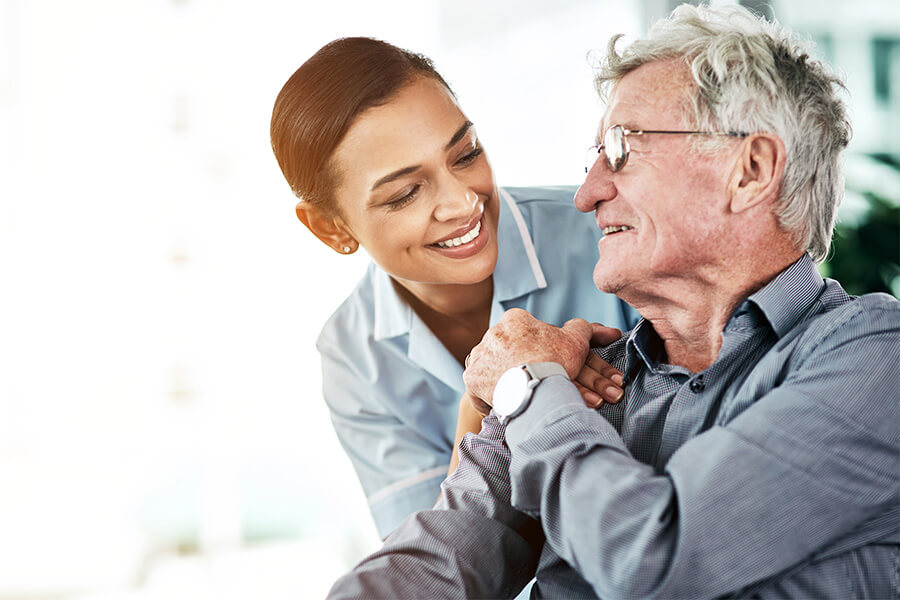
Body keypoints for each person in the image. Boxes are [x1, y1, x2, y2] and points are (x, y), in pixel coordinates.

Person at [327, 4, 900, 598]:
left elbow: (657, 560)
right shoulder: (579, 380)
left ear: (751, 170)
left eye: (621, 150)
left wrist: (523, 388)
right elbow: (430, 570)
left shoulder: (876, 359)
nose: (586, 194)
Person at [270, 38, 638, 540]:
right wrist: (488, 397)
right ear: (331, 228)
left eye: (465, 155)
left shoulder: (602, 232)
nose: (463, 202)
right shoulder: (352, 357)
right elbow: (433, 566)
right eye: (405, 193)